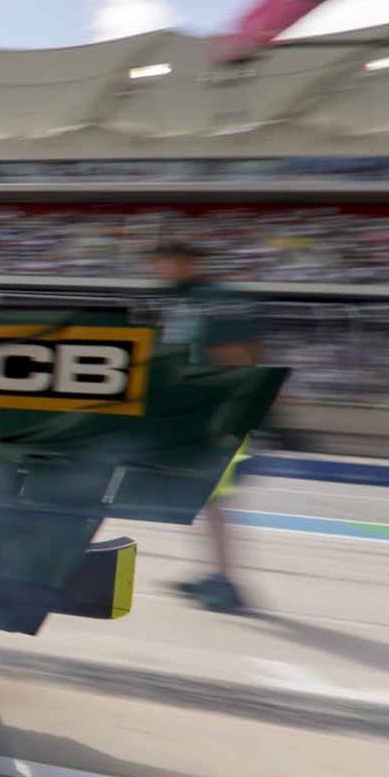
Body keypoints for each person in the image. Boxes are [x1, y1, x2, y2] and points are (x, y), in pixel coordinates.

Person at [150, 241, 262, 613]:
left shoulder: (216, 299)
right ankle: (216, 575)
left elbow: (238, 357)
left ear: (186, 262)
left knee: (214, 498)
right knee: (205, 500)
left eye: (164, 262)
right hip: (198, 412)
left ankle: (225, 581)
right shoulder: (186, 301)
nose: (158, 270)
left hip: (219, 415)